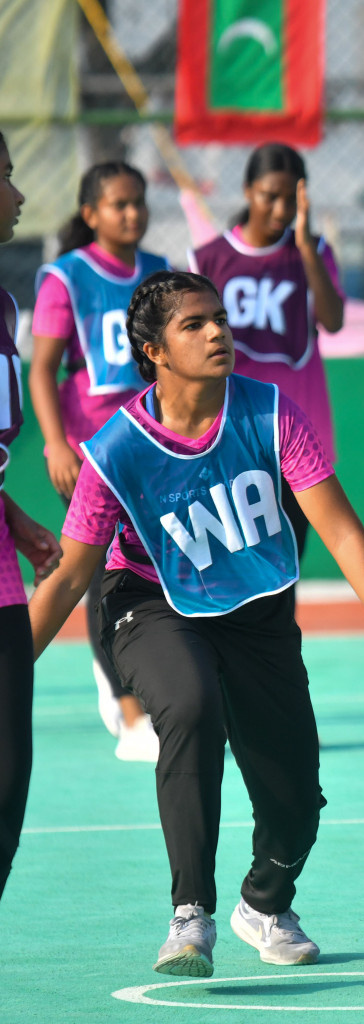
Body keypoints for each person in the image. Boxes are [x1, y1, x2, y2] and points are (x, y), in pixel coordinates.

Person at [27, 271, 364, 977]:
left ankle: (265, 901)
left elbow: (339, 529)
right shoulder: (118, 449)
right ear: (154, 350)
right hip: (150, 603)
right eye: (195, 324)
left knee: (296, 801)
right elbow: (71, 574)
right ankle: (190, 915)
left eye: (219, 318)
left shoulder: (270, 413)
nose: (218, 331)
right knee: (189, 703)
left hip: (256, 613)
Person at [31, 161, 170, 760]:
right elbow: (41, 368)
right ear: (91, 214)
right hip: (91, 445)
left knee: (157, 569)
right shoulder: (66, 277)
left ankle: (146, 682)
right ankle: (130, 710)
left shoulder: (161, 273)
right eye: (119, 204)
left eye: (139, 202)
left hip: (152, 440)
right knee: (100, 572)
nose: (132, 213)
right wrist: (55, 442)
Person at [188, 142, 345, 559]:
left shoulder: (314, 254)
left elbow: (333, 321)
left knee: (285, 566)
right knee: (231, 567)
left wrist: (309, 250)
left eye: (291, 198)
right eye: (269, 196)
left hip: (296, 430)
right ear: (246, 191)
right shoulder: (207, 259)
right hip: (227, 430)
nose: (280, 209)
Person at [0, 130, 65, 902]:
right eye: (6, 177)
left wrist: (14, 516)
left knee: (7, 794)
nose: (18, 195)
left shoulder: (6, 305)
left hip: (6, 581)